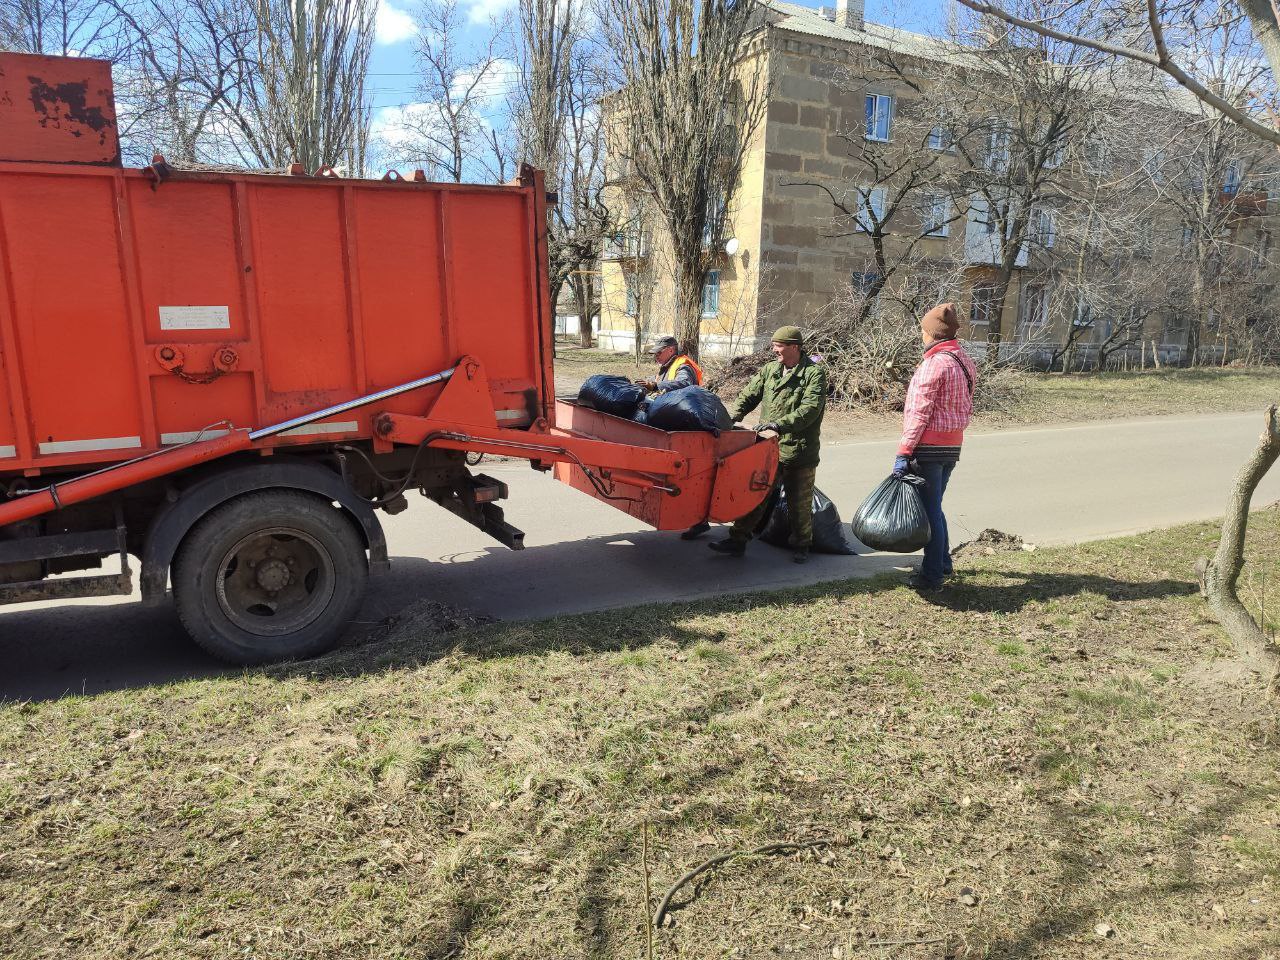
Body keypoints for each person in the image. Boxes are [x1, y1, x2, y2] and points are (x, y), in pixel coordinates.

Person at [708, 325, 827, 564]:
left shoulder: (814, 374)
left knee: (798, 504)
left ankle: (802, 544)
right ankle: (737, 540)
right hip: (768, 448)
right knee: (756, 494)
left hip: (798, 450)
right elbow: (749, 395)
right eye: (774, 345)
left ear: (795, 347)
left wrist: (779, 425)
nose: (775, 350)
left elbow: (810, 410)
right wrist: (731, 418)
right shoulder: (770, 370)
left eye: (779, 346)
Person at [894, 302, 978, 592]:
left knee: (930, 513)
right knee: (935, 506)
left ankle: (931, 577)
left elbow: (918, 413)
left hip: (928, 448)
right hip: (952, 446)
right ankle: (943, 563)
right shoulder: (964, 360)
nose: (922, 335)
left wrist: (904, 452)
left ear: (931, 333)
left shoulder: (933, 364)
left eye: (923, 330)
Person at [634, 335, 703, 394]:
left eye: (659, 352)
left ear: (671, 350)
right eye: (655, 353)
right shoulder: (668, 366)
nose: (656, 356)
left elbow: (684, 382)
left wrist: (654, 386)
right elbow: (659, 379)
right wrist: (645, 381)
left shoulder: (683, 366)